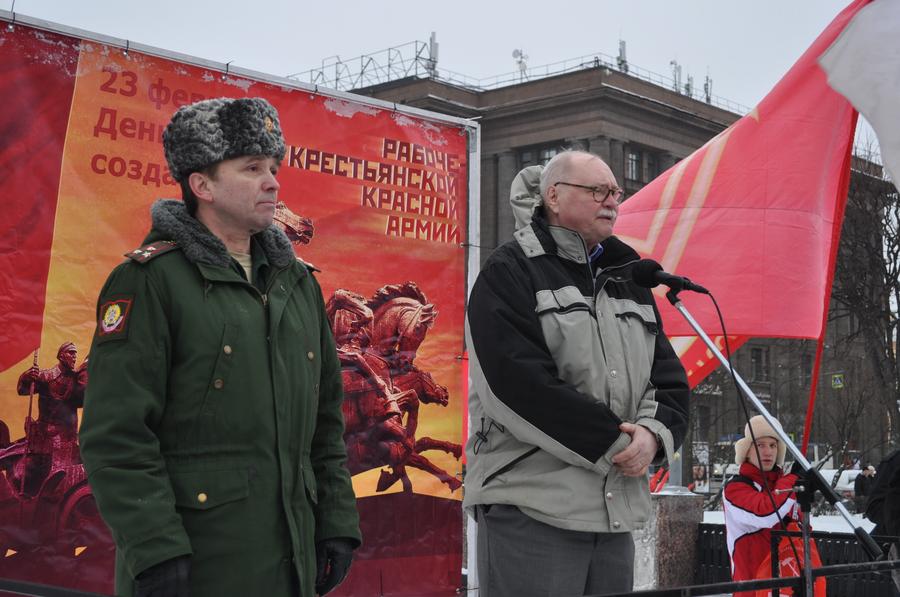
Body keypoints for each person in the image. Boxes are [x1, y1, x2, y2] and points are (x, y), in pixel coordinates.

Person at [79, 97, 361, 597]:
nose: (272, 181)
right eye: (252, 167)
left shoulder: (297, 284)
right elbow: (117, 435)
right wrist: (155, 551)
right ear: (202, 185)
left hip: (291, 565)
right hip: (197, 566)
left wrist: (336, 520)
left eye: (273, 167)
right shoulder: (149, 281)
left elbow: (326, 422)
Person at [464, 150, 690, 596]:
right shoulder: (509, 271)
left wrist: (652, 436)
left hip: (612, 511)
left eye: (615, 193)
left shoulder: (630, 275)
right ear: (553, 195)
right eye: (597, 191)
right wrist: (617, 443)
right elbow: (516, 386)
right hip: (531, 504)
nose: (611, 201)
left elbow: (666, 379)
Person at [722, 415, 801, 595]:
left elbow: (801, 530)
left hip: (788, 588)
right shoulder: (736, 487)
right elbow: (765, 514)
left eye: (773, 445)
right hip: (752, 590)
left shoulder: (784, 487)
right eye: (760, 445)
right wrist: (792, 482)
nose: (768, 452)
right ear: (748, 451)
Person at [15, 342, 87, 496]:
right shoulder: (46, 376)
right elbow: (22, 390)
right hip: (45, 440)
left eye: (75, 353)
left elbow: (83, 399)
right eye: (71, 353)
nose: (74, 356)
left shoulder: (76, 380)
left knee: (67, 482)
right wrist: (27, 377)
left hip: (68, 440)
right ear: (61, 355)